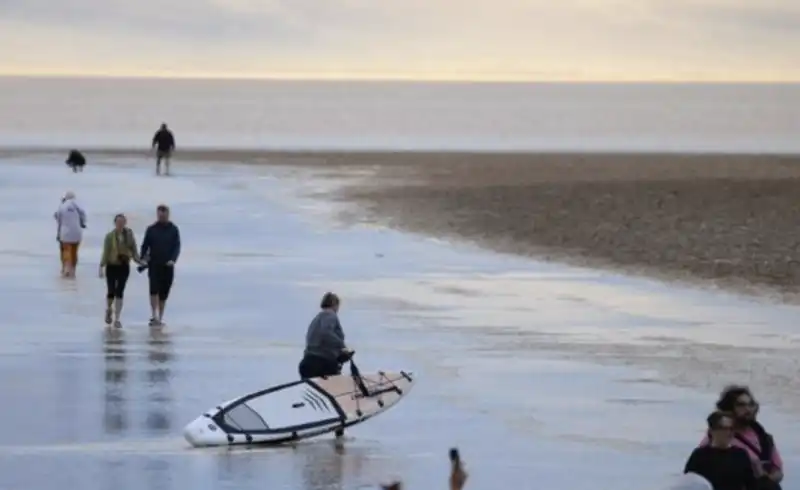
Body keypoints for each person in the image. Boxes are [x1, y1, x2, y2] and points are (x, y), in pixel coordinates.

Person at [699, 385, 784, 490]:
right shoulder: (717, 436)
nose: (748, 409)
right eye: (741, 405)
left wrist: (765, 480)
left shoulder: (764, 437)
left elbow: (778, 470)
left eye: (751, 404)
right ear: (729, 408)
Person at [299, 292, 353, 438]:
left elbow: (317, 341)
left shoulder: (315, 319)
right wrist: (342, 346)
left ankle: (299, 429)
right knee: (338, 395)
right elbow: (326, 333)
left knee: (310, 399)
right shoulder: (330, 316)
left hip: (307, 363)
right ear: (335, 305)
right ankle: (339, 434)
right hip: (322, 363)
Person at [685, 410, 757, 490]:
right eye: (724, 428)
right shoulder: (699, 455)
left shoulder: (740, 454)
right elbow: (688, 483)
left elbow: (750, 483)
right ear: (712, 431)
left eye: (731, 429)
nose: (729, 432)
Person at [139, 204, 181, 326]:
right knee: (153, 290)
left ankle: (160, 317)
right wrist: (143, 258)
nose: (161, 217)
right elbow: (145, 246)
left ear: (168, 214)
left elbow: (177, 246)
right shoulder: (151, 229)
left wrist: (173, 260)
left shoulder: (174, 229)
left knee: (164, 293)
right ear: (157, 215)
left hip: (168, 265)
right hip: (154, 264)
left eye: (164, 214)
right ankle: (154, 315)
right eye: (159, 215)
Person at [99, 214, 142, 328]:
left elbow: (134, 250)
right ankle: (109, 309)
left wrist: (140, 261)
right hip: (112, 265)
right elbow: (106, 252)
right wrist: (101, 266)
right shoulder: (109, 236)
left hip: (124, 266)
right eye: (118, 222)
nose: (120, 224)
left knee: (120, 291)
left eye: (122, 222)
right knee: (111, 291)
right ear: (115, 223)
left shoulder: (129, 235)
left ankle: (117, 318)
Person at [54, 191, 86, 277]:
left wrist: (58, 234)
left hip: (65, 233)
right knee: (74, 252)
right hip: (77, 233)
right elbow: (83, 216)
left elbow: (59, 220)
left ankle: (66, 268)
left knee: (66, 250)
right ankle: (73, 270)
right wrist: (82, 223)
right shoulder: (78, 205)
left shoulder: (62, 206)